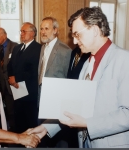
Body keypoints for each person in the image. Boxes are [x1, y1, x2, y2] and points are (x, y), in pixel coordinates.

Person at [30, 6, 129, 148]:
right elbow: (75, 107)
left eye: (77, 35)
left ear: (95, 30)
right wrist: (46, 128)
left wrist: (88, 124)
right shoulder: (86, 64)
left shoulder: (124, 60)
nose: (75, 42)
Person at [37, 17, 72, 147]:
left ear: (55, 30)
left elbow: (68, 78)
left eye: (47, 28)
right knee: (44, 132)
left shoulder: (65, 50)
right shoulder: (43, 48)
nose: (43, 32)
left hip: (57, 100)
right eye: (41, 29)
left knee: (58, 136)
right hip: (42, 97)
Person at [7, 22, 41, 136]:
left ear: (32, 33)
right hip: (17, 91)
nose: (21, 34)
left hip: (30, 93)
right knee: (19, 123)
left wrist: (17, 78)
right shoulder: (17, 48)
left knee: (30, 124)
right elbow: (9, 65)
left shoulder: (39, 49)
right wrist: (11, 78)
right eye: (21, 31)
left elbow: (34, 70)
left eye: (24, 31)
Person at [0, 27, 18, 132]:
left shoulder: (16, 47)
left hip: (15, 83)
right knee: (9, 109)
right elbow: (2, 68)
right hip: (5, 84)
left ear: (4, 35)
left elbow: (18, 66)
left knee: (18, 108)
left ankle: (20, 128)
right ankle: (12, 128)